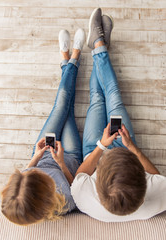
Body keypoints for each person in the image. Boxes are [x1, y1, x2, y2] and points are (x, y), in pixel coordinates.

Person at [71, 8, 166, 222]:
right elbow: (158, 177)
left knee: (99, 97)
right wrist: (130, 146)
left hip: (95, 150)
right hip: (125, 145)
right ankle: (99, 45)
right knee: (112, 95)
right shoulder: (158, 199)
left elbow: (80, 175)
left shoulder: (84, 200)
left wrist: (102, 146)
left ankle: (99, 46)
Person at [1, 28, 85, 225]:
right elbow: (77, 185)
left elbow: (26, 172)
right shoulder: (63, 204)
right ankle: (71, 59)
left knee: (62, 106)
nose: (27, 175)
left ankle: (70, 59)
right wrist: (62, 163)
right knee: (67, 110)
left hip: (43, 153)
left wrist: (36, 157)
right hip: (69, 157)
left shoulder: (17, 195)